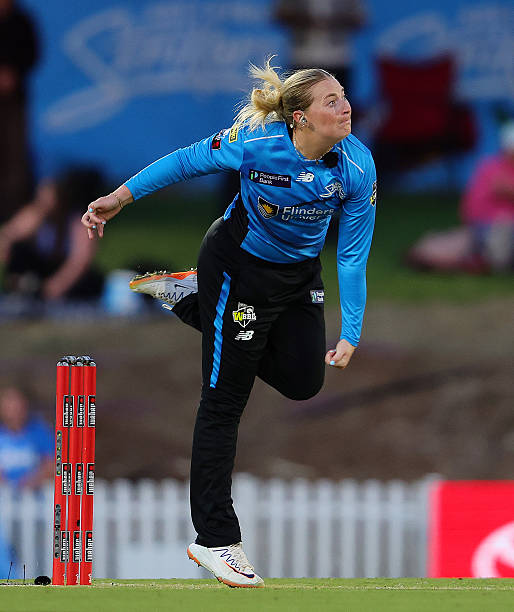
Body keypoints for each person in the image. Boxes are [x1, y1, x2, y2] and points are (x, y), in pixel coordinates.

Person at [82, 57, 377, 587]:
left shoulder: (357, 165)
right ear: (300, 118)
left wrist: (351, 330)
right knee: (224, 400)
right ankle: (215, 539)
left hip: (297, 277)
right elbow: (185, 161)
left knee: (304, 382)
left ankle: (188, 298)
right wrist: (120, 198)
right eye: (330, 100)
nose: (345, 106)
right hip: (236, 268)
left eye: (343, 96)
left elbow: (352, 255)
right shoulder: (258, 142)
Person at [407, 121, 514, 273]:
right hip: (489, 226)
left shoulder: (492, 166)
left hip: (488, 226)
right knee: (496, 245)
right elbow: (503, 188)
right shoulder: (496, 168)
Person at [0, 167, 105, 302]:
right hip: (39, 269)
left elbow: (80, 261)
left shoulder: (77, 221)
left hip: (63, 272)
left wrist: (56, 287)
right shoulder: (34, 216)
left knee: (92, 282)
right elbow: (7, 237)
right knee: (19, 250)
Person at [0, 0, 39, 222]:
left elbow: (33, 54)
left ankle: (13, 212)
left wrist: (13, 73)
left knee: (15, 156)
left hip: (15, 101)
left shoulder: (22, 21)